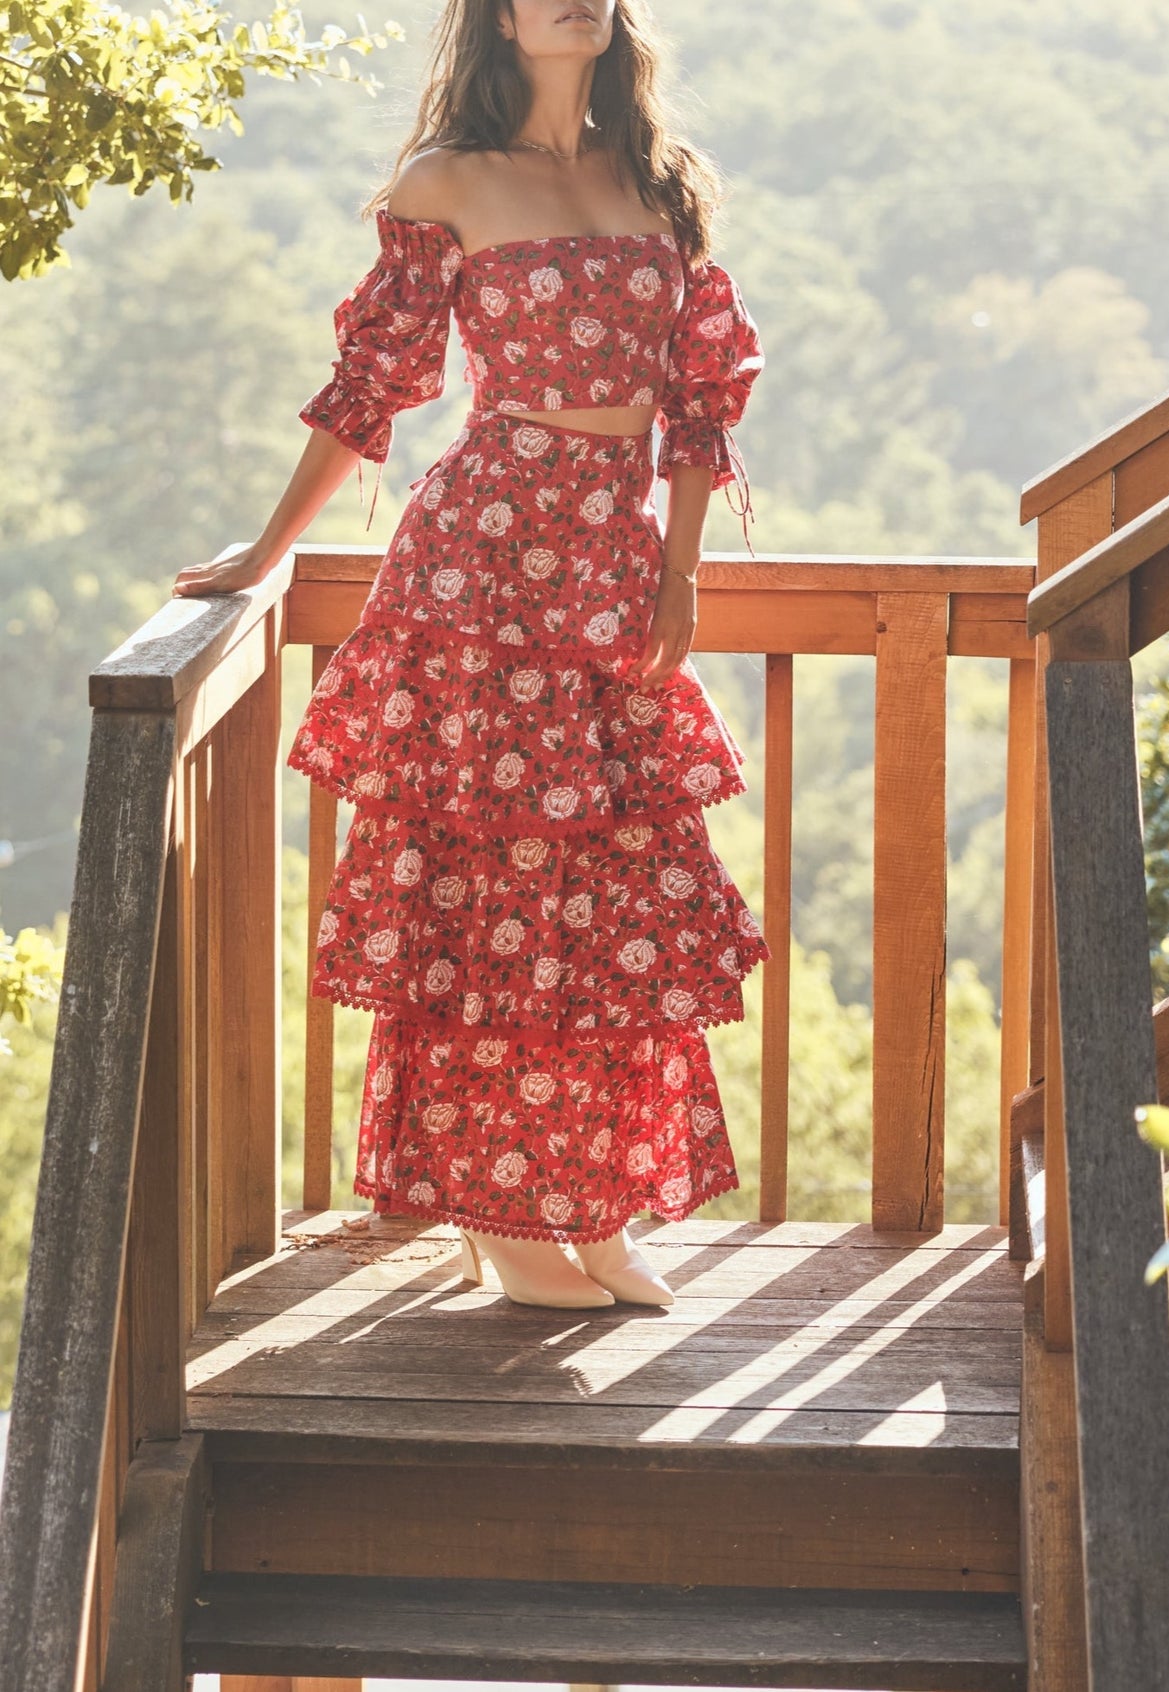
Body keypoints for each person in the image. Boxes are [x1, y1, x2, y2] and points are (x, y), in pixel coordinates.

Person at [173, 0, 768, 1311]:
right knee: (482, 899)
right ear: (497, 15)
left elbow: (694, 407)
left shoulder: (655, 185)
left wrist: (679, 577)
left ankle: (596, 1201)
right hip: (484, 561)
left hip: (613, 567)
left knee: (617, 898)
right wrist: (268, 553)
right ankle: (496, 1217)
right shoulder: (446, 179)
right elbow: (375, 385)